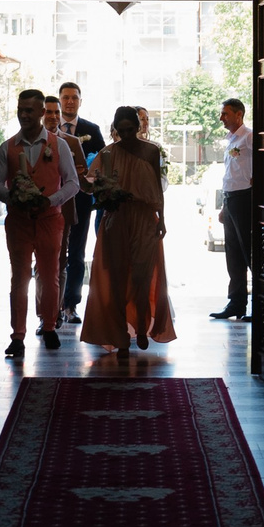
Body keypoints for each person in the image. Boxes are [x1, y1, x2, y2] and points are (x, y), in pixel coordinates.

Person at [0, 87, 78, 356]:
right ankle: (17, 335)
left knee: (49, 277)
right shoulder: (8, 147)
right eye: (20, 109)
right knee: (19, 277)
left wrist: (51, 200)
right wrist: (13, 197)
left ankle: (49, 327)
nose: (23, 115)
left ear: (41, 113)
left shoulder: (58, 145)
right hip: (18, 221)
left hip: (50, 219)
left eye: (29, 110)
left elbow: (72, 183)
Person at [80, 107, 177, 352]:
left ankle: (142, 327)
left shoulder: (152, 151)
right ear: (115, 130)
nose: (126, 135)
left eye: (130, 130)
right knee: (117, 278)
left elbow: (156, 186)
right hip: (116, 219)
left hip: (145, 218)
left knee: (142, 276)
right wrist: (81, 176)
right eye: (121, 131)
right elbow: (92, 188)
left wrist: (162, 218)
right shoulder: (108, 153)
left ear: (138, 127)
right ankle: (120, 333)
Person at [55, 81, 105, 325]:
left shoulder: (91, 130)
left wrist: (89, 176)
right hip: (54, 201)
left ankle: (71, 305)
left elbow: (104, 164)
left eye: (74, 97)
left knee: (76, 253)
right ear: (60, 100)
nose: (70, 101)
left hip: (81, 201)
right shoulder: (50, 129)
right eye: (65, 97)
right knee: (52, 253)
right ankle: (50, 306)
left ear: (80, 101)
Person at [212, 97, 253, 321]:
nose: (221, 118)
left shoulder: (249, 137)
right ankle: (236, 303)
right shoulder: (231, 140)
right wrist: (223, 206)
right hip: (230, 198)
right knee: (233, 254)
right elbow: (230, 173)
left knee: (249, 251)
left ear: (239, 114)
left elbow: (257, 170)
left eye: (225, 114)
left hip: (244, 197)